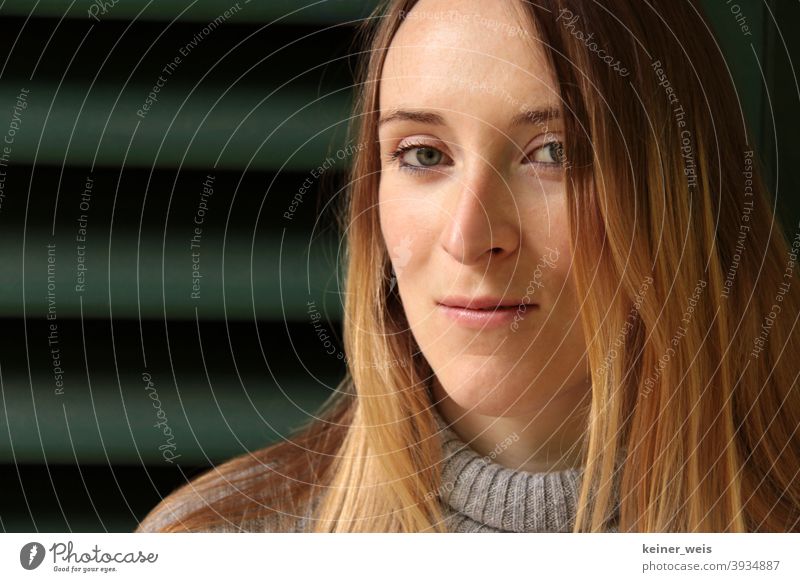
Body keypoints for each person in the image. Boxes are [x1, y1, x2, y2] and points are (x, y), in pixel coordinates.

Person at [137, 0, 800, 533]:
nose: (468, 236)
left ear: (681, 192)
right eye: (424, 155)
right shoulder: (210, 541)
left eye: (554, 153)